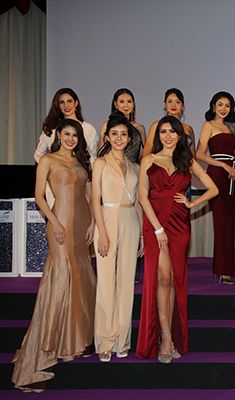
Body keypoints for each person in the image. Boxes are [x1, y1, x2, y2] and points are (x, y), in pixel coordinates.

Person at [13, 119, 96, 392]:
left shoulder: (82, 162)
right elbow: (39, 196)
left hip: (82, 225)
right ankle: (43, 350)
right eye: (66, 134)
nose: (71, 138)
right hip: (59, 222)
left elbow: (88, 196)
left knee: (81, 280)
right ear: (58, 135)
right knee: (60, 280)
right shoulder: (48, 160)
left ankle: (71, 343)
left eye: (75, 135)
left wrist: (93, 223)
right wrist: (55, 222)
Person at [136, 115, 218, 363]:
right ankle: (166, 337)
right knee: (162, 278)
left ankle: (170, 333)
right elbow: (142, 197)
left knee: (173, 280)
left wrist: (192, 203)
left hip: (179, 225)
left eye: (172, 131)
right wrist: (158, 229)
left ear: (179, 135)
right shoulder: (149, 160)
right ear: (158, 135)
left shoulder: (187, 160)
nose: (168, 136)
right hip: (155, 223)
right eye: (163, 132)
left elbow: (213, 188)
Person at [92, 114, 142, 362]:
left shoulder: (135, 167)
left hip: (131, 221)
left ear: (129, 138)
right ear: (107, 137)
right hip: (107, 219)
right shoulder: (100, 163)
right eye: (115, 134)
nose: (119, 138)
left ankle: (123, 340)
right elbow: (94, 200)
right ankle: (104, 340)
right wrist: (101, 232)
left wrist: (142, 234)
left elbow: (139, 202)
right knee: (106, 282)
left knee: (126, 283)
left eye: (123, 134)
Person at [196, 91, 235, 284]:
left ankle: (220, 267)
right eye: (220, 104)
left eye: (227, 106)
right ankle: (224, 270)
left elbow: (234, 155)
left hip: (232, 178)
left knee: (229, 223)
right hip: (217, 176)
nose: (224, 109)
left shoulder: (230, 129)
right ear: (213, 106)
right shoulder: (208, 125)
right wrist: (223, 165)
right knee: (220, 223)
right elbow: (199, 154)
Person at [34, 88, 98, 163]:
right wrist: (51, 166)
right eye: (62, 102)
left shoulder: (88, 129)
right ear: (58, 106)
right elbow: (38, 154)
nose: (66, 105)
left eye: (69, 101)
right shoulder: (51, 128)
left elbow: (93, 157)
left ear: (76, 103)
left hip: (80, 169)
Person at [98, 88, 146, 163]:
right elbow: (101, 153)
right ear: (116, 104)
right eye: (122, 102)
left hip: (134, 168)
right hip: (112, 167)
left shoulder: (140, 128)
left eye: (129, 102)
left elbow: (142, 155)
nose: (126, 105)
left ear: (133, 104)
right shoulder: (107, 125)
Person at [144, 88, 196, 156]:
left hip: (184, 162)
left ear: (182, 106)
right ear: (165, 104)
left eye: (177, 102)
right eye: (170, 101)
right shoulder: (156, 125)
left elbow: (192, 154)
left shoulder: (188, 129)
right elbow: (147, 150)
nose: (173, 105)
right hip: (162, 161)